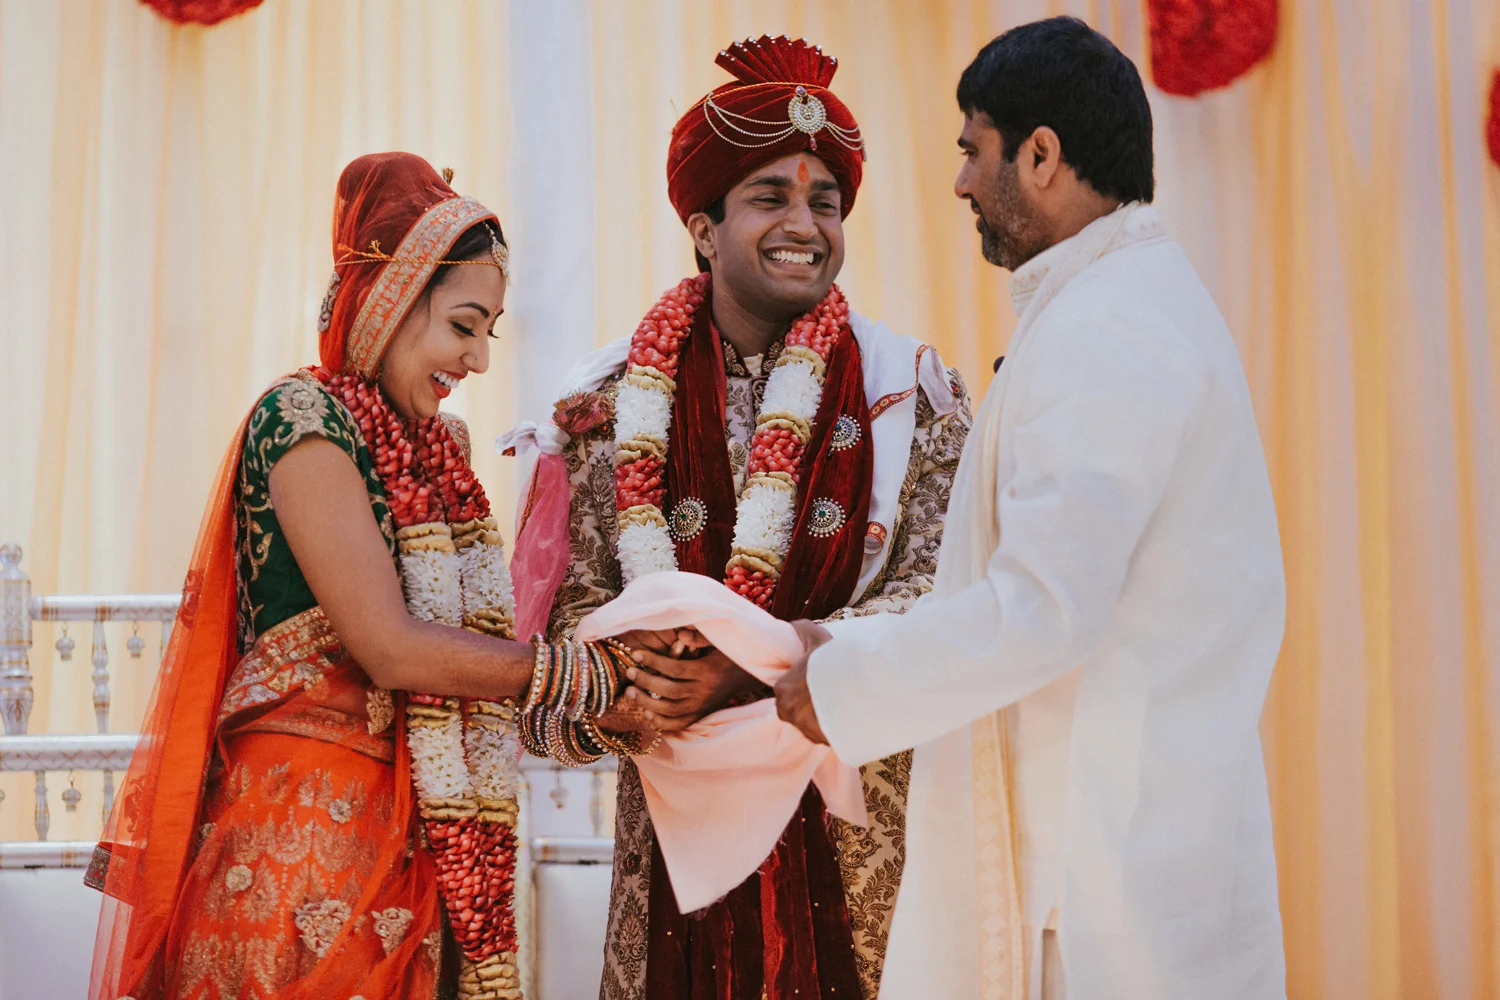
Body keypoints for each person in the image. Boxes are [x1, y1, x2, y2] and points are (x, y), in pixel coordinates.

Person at [770, 18, 1288, 1000]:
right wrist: (849, 651)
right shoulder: (1114, 303)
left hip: (1103, 894)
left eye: (975, 150)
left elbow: (1046, 606)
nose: (961, 182)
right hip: (1115, 860)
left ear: (1041, 155)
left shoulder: (1110, 328)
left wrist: (841, 684)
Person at [86, 153, 640, 1000]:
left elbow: (478, 653)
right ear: (391, 299)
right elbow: (388, 647)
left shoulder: (439, 451)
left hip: (422, 840)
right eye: (463, 325)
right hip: (300, 843)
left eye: (490, 332)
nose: (478, 359)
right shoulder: (301, 420)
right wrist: (581, 679)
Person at [504, 35, 970, 1000]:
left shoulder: (911, 395)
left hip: (864, 853)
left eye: (825, 202)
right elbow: (552, 636)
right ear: (704, 227)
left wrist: (756, 668)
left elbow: (951, 599)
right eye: (770, 197)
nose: (806, 224)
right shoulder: (602, 408)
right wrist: (640, 689)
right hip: (670, 869)